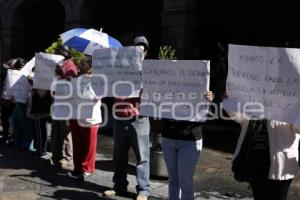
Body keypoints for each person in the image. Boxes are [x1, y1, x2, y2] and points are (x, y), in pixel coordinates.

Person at [224, 95, 300, 200]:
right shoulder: (254, 98)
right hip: (254, 160)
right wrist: (228, 101)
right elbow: (240, 117)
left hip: (279, 163)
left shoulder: (290, 101)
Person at [104, 36, 150, 200]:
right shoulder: (118, 67)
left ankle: (143, 190)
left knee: (142, 157)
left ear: (146, 52)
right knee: (119, 155)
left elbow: (155, 94)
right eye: (137, 47)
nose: (140, 50)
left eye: (142, 48)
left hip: (139, 119)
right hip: (119, 116)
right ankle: (119, 186)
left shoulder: (150, 70)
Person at [161, 91, 214, 200]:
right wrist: (146, 96)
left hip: (190, 139)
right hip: (168, 137)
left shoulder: (199, 81)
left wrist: (208, 102)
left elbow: (208, 115)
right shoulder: (166, 80)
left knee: (185, 180)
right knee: (173, 179)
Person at [69, 56, 101, 181]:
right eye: (80, 63)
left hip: (90, 118)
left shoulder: (98, 81)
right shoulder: (75, 80)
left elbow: (98, 95)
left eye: (83, 64)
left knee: (89, 146)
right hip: (76, 116)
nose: (79, 66)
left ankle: (87, 169)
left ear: (91, 68)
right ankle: (77, 169)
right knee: (77, 144)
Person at [51, 45, 77, 168]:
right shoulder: (60, 64)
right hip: (58, 101)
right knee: (55, 130)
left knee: (65, 132)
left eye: (58, 52)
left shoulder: (70, 65)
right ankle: (55, 156)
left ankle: (68, 157)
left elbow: (73, 83)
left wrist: (62, 73)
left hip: (66, 102)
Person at [0, 59, 17, 145]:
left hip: (13, 101)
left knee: (14, 121)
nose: (7, 69)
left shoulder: (18, 76)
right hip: (4, 100)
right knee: (4, 119)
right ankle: (5, 136)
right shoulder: (4, 75)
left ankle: (14, 137)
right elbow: (3, 87)